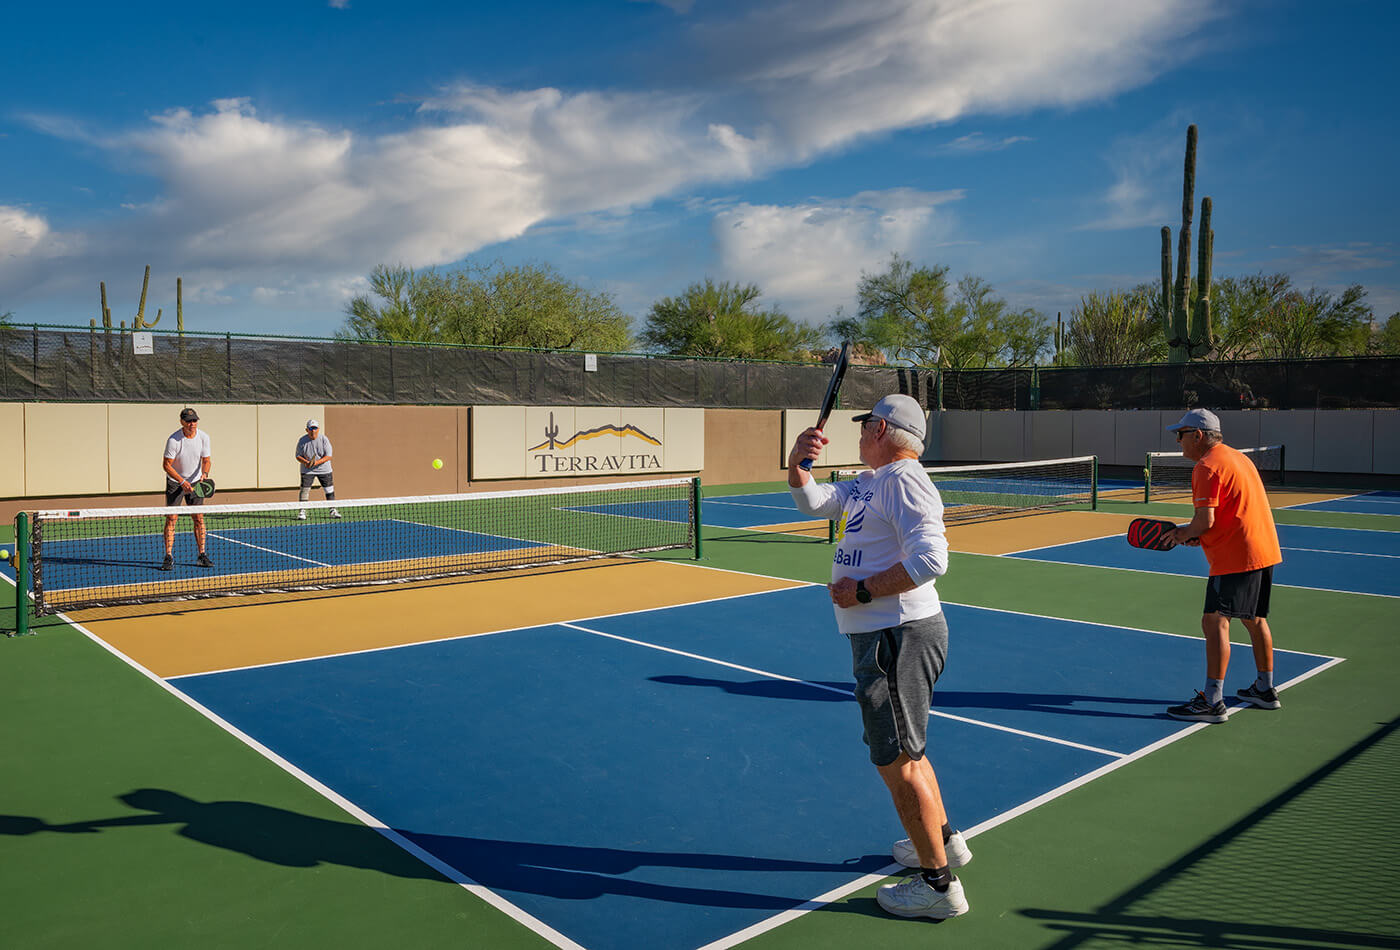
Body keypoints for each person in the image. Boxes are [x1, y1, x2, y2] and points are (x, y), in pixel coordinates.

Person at [787, 393, 971, 921]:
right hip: (889, 635)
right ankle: (942, 841)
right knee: (908, 754)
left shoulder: (905, 480)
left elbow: (932, 559)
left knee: (895, 760)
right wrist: (798, 462)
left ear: (883, 428)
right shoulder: (872, 482)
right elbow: (814, 502)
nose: (860, 431)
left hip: (898, 634)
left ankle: (937, 885)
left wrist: (862, 591)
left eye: (866, 424)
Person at [1165, 408, 1284, 723]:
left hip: (1236, 557)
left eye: (1181, 435)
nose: (1179, 441)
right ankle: (1264, 689)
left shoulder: (1206, 467)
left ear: (1198, 436)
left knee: (1214, 622)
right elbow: (1230, 513)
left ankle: (1212, 701)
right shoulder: (1239, 459)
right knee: (1254, 619)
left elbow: (1205, 520)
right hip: (1263, 549)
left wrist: (1182, 534)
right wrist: (1198, 537)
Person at [161, 407, 214, 570]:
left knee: (198, 518)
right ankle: (168, 556)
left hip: (196, 482)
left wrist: (204, 474)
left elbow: (206, 460)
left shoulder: (204, 437)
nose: (192, 424)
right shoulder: (174, 440)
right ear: (182, 422)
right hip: (175, 482)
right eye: (189, 421)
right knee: (172, 519)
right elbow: (166, 465)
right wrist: (181, 481)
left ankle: (202, 555)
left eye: (194, 420)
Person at [296, 419, 341, 520]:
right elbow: (298, 455)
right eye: (311, 428)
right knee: (304, 491)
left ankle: (333, 510)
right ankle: (302, 511)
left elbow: (328, 456)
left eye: (315, 428)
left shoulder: (324, 439)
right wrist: (306, 462)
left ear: (318, 429)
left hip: (324, 469)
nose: (313, 431)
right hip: (307, 470)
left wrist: (316, 463)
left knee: (329, 490)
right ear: (307, 430)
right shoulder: (302, 441)